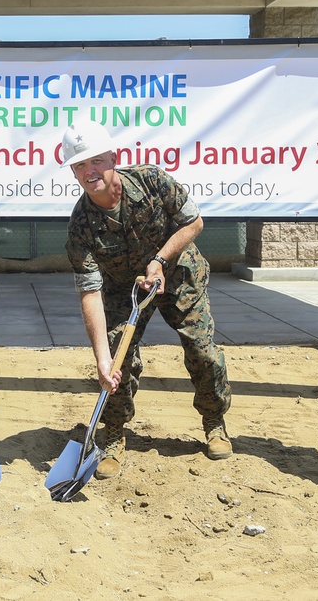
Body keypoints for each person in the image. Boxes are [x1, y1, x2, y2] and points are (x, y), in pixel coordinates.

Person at [62, 120, 232, 480]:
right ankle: (114, 435)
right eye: (80, 165)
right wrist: (101, 358)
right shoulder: (80, 225)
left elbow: (193, 223)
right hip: (124, 289)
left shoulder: (152, 180)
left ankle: (214, 422)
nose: (89, 171)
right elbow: (90, 292)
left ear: (113, 157)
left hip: (178, 273)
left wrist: (159, 261)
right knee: (115, 357)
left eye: (96, 160)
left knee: (202, 350)